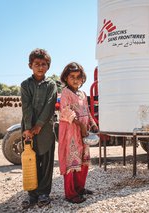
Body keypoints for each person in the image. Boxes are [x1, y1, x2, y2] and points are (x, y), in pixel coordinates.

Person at [20, 48, 57, 209]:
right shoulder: (25, 85)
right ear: (30, 66)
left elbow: (50, 106)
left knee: (47, 162)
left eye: (43, 64)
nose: (40, 67)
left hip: (46, 129)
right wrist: (29, 128)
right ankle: (31, 194)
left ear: (48, 66)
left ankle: (43, 193)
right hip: (28, 130)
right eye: (37, 64)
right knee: (31, 160)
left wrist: (39, 125)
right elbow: (26, 108)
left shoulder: (52, 85)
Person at [58, 62, 98, 204]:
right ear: (66, 78)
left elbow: (87, 111)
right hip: (71, 132)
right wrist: (80, 125)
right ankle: (70, 193)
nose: (75, 80)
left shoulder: (82, 94)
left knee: (82, 162)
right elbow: (66, 111)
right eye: (72, 77)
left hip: (83, 132)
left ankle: (80, 188)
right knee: (71, 161)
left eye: (78, 77)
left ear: (82, 79)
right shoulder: (65, 93)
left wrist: (92, 124)